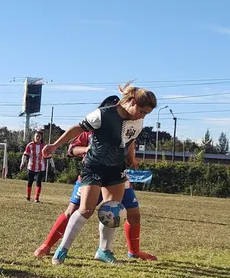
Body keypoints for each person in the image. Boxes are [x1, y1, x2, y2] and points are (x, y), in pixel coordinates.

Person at [42, 84, 156, 265]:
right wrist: (55, 145)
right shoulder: (103, 114)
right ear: (132, 102)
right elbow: (77, 128)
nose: (142, 116)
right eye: (141, 111)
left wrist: (131, 159)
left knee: (113, 209)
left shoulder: (138, 122)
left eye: (146, 114)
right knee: (85, 210)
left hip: (115, 169)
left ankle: (104, 251)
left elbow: (130, 140)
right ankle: (62, 249)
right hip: (94, 166)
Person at [21, 131, 47, 202]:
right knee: (30, 182)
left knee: (38, 182)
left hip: (41, 168)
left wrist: (53, 165)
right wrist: (22, 163)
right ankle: (28, 196)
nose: (38, 137)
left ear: (41, 138)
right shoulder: (30, 145)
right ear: (34, 137)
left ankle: (36, 198)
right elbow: (25, 155)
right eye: (36, 136)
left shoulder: (44, 146)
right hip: (31, 167)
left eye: (39, 136)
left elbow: (49, 157)